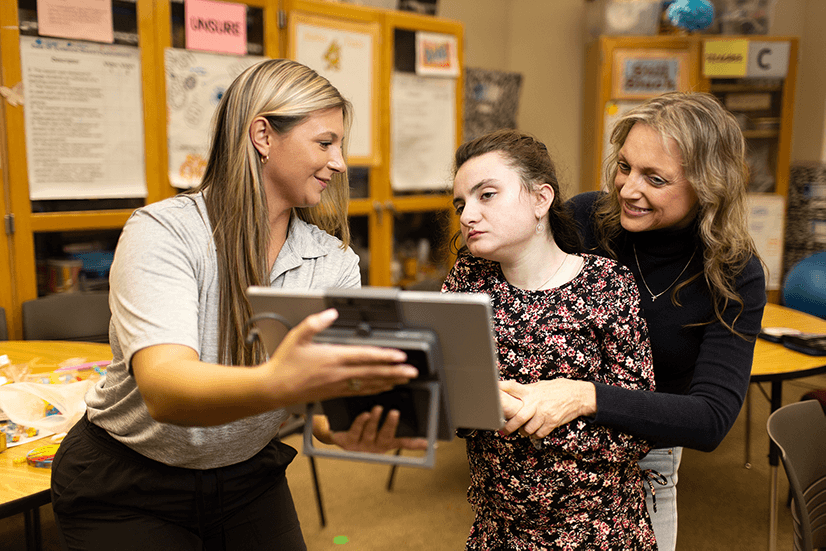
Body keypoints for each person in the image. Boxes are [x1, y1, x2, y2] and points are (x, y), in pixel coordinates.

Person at [50, 59, 426, 551]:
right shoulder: (165, 233)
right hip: (128, 482)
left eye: (340, 146)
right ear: (263, 135)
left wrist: (345, 427)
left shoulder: (332, 262)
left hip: (246, 477)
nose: (338, 163)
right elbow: (165, 390)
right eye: (325, 142)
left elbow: (316, 408)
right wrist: (279, 381)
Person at [522, 91, 767, 550]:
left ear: (708, 186)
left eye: (655, 179)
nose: (628, 188)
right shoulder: (583, 220)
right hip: (541, 454)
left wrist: (583, 397)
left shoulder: (734, 272)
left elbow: (711, 418)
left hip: (644, 465)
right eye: (624, 166)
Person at [446, 129, 657, 549]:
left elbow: (637, 428)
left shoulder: (607, 284)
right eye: (461, 203)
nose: (467, 214)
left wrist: (524, 411)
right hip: (499, 528)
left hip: (599, 529)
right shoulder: (466, 282)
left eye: (486, 195)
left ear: (541, 199)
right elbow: (458, 415)